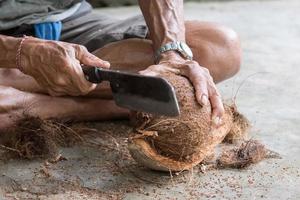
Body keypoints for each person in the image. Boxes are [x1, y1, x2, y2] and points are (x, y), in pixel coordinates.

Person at [0, 0, 241, 130]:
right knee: (180, 87)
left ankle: (33, 99)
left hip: (71, 20)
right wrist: (20, 53)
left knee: (218, 48)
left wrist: (173, 52)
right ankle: (135, 104)